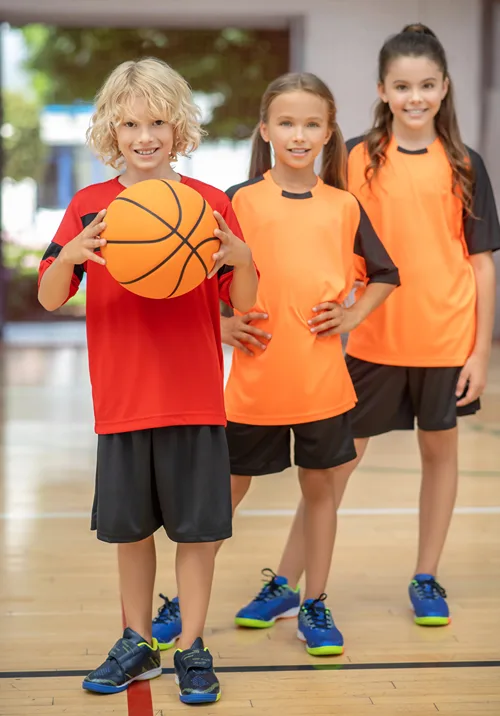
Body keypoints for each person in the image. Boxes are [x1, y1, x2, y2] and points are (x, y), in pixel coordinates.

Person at [237, 23, 500, 639]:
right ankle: (287, 581)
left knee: (441, 455)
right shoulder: (354, 156)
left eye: (427, 85)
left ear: (444, 88)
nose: (415, 97)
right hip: (369, 342)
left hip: (445, 337)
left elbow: (481, 262)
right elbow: (327, 233)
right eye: (402, 85)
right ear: (382, 89)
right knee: (331, 471)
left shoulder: (465, 163)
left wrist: (481, 350)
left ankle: (426, 575)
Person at [153, 71, 400, 656]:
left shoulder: (344, 206)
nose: (298, 134)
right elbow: (192, 283)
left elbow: (386, 275)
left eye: (311, 124)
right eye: (286, 123)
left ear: (329, 133)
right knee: (220, 504)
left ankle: (313, 602)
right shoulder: (236, 202)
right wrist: (219, 325)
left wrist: (352, 317)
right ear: (265, 130)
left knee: (321, 496)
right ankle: (184, 605)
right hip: (252, 391)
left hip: (322, 387)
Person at [37, 57, 258, 703]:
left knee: (197, 535)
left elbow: (242, 300)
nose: (145, 135)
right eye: (131, 123)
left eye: (158, 120)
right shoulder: (89, 207)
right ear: (111, 129)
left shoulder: (208, 205)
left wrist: (243, 259)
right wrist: (71, 257)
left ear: (179, 125)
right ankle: (137, 642)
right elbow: (51, 296)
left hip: (193, 400)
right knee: (130, 535)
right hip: (122, 402)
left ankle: (190, 645)